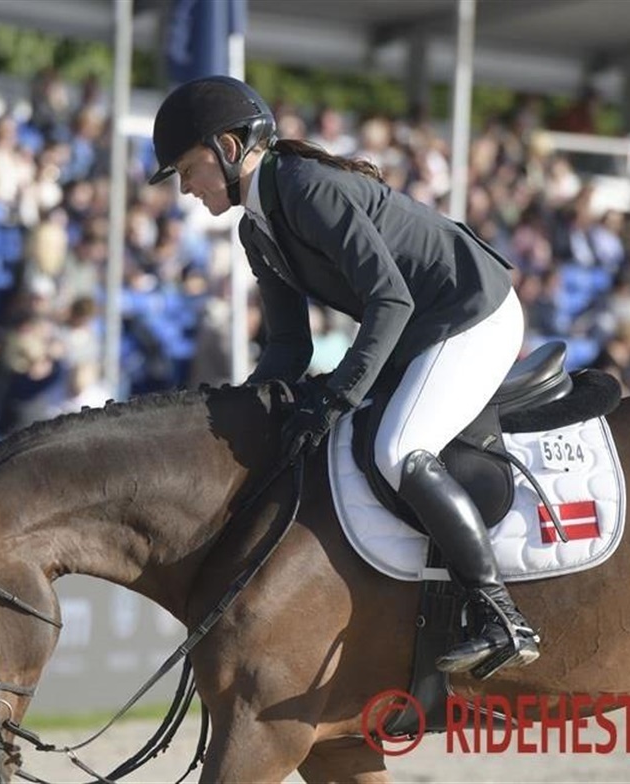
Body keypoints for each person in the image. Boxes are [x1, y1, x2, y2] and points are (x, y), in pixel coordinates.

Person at [148, 76, 538, 677]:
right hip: (420, 328)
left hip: (472, 312)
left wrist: (337, 396)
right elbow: (289, 346)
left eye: (186, 169)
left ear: (227, 147)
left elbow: (390, 300)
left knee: (397, 449)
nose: (185, 188)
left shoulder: (307, 188)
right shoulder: (257, 229)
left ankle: (501, 617)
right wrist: (238, 415)